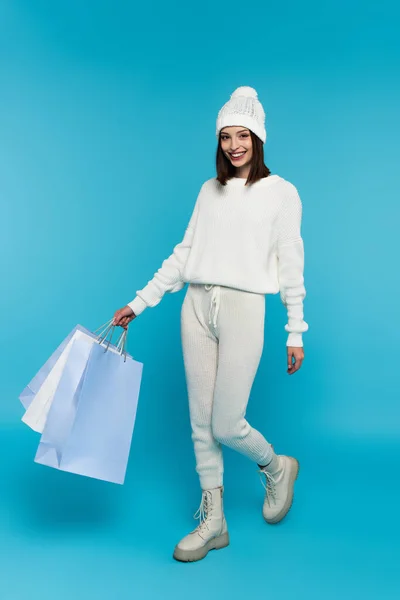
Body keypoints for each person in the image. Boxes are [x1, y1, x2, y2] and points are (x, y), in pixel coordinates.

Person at [113, 86, 308, 563]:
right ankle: (214, 521)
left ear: (258, 139)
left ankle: (275, 465)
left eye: (243, 135)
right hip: (196, 305)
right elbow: (185, 254)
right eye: (226, 136)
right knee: (201, 422)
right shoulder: (209, 190)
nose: (234, 145)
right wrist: (139, 302)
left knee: (226, 422)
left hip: (245, 307)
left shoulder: (281, 193)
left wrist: (295, 328)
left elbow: (290, 260)